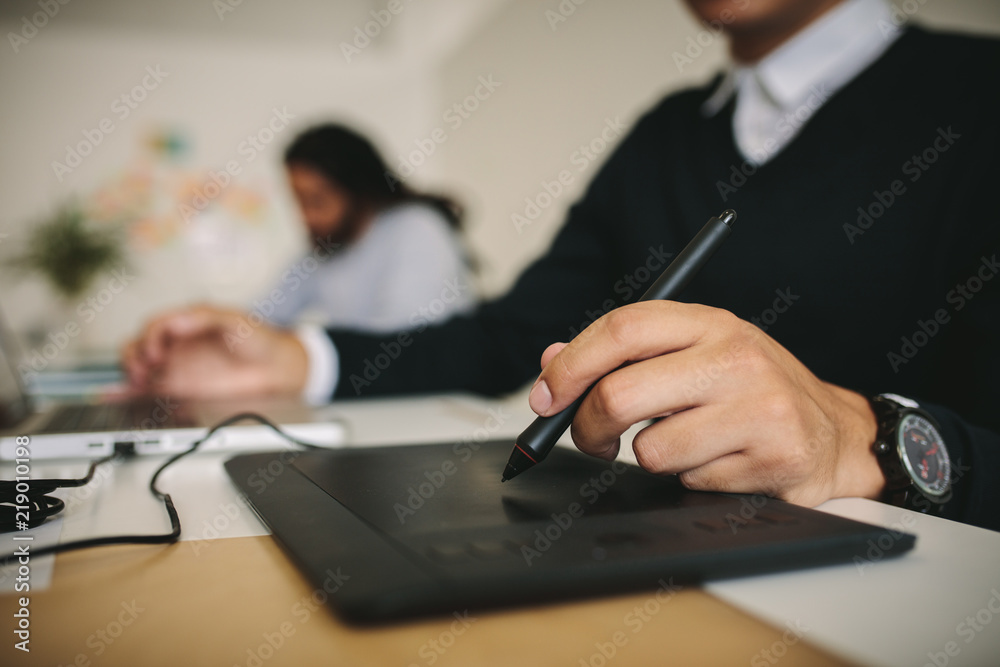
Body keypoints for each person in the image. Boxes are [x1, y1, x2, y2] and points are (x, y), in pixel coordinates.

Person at [122, 0, 1000, 530]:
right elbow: (516, 332)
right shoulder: (664, 133)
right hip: (668, 571)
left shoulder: (979, 96)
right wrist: (300, 357)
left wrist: (866, 440)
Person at [266, 124, 474, 332]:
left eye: (317, 201)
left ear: (356, 190)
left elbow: (404, 341)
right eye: (299, 202)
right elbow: (263, 315)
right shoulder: (325, 249)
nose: (306, 217)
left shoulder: (418, 230)